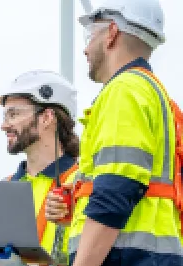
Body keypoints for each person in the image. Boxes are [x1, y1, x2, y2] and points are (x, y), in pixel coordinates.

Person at [46, 0, 183, 265]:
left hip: (126, 257)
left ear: (111, 33)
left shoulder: (124, 91)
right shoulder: (149, 92)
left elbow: (117, 189)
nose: (85, 48)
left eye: (90, 35)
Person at [0, 70, 80, 266]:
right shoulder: (3, 190)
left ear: (47, 117)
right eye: (5, 115)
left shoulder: (81, 184)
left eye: (14, 114)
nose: (3, 125)